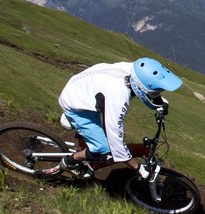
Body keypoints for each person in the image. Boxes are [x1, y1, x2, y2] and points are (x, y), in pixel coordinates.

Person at [54, 57, 183, 179]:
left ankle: (85, 144)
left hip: (83, 88)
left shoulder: (133, 70)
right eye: (154, 92)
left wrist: (158, 101)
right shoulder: (117, 97)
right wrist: (137, 167)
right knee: (102, 148)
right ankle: (70, 161)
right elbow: (115, 139)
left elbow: (143, 89)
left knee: (102, 136)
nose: (155, 94)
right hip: (76, 103)